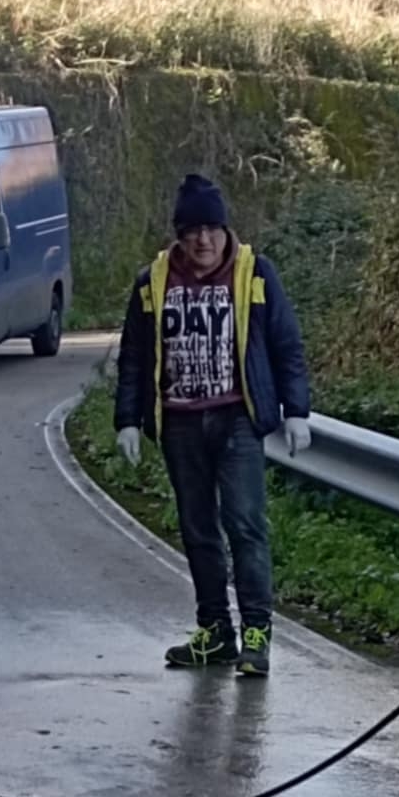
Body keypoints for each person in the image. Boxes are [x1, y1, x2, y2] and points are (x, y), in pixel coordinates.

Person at [114, 172, 312, 677]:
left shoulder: (256, 275)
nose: (203, 240)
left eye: (212, 228)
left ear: (226, 229)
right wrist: (128, 420)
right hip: (180, 422)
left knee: (244, 524)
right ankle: (215, 631)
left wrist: (297, 411)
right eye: (192, 230)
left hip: (236, 419)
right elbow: (134, 357)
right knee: (198, 529)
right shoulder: (151, 283)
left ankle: (257, 635)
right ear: (178, 234)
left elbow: (286, 345)